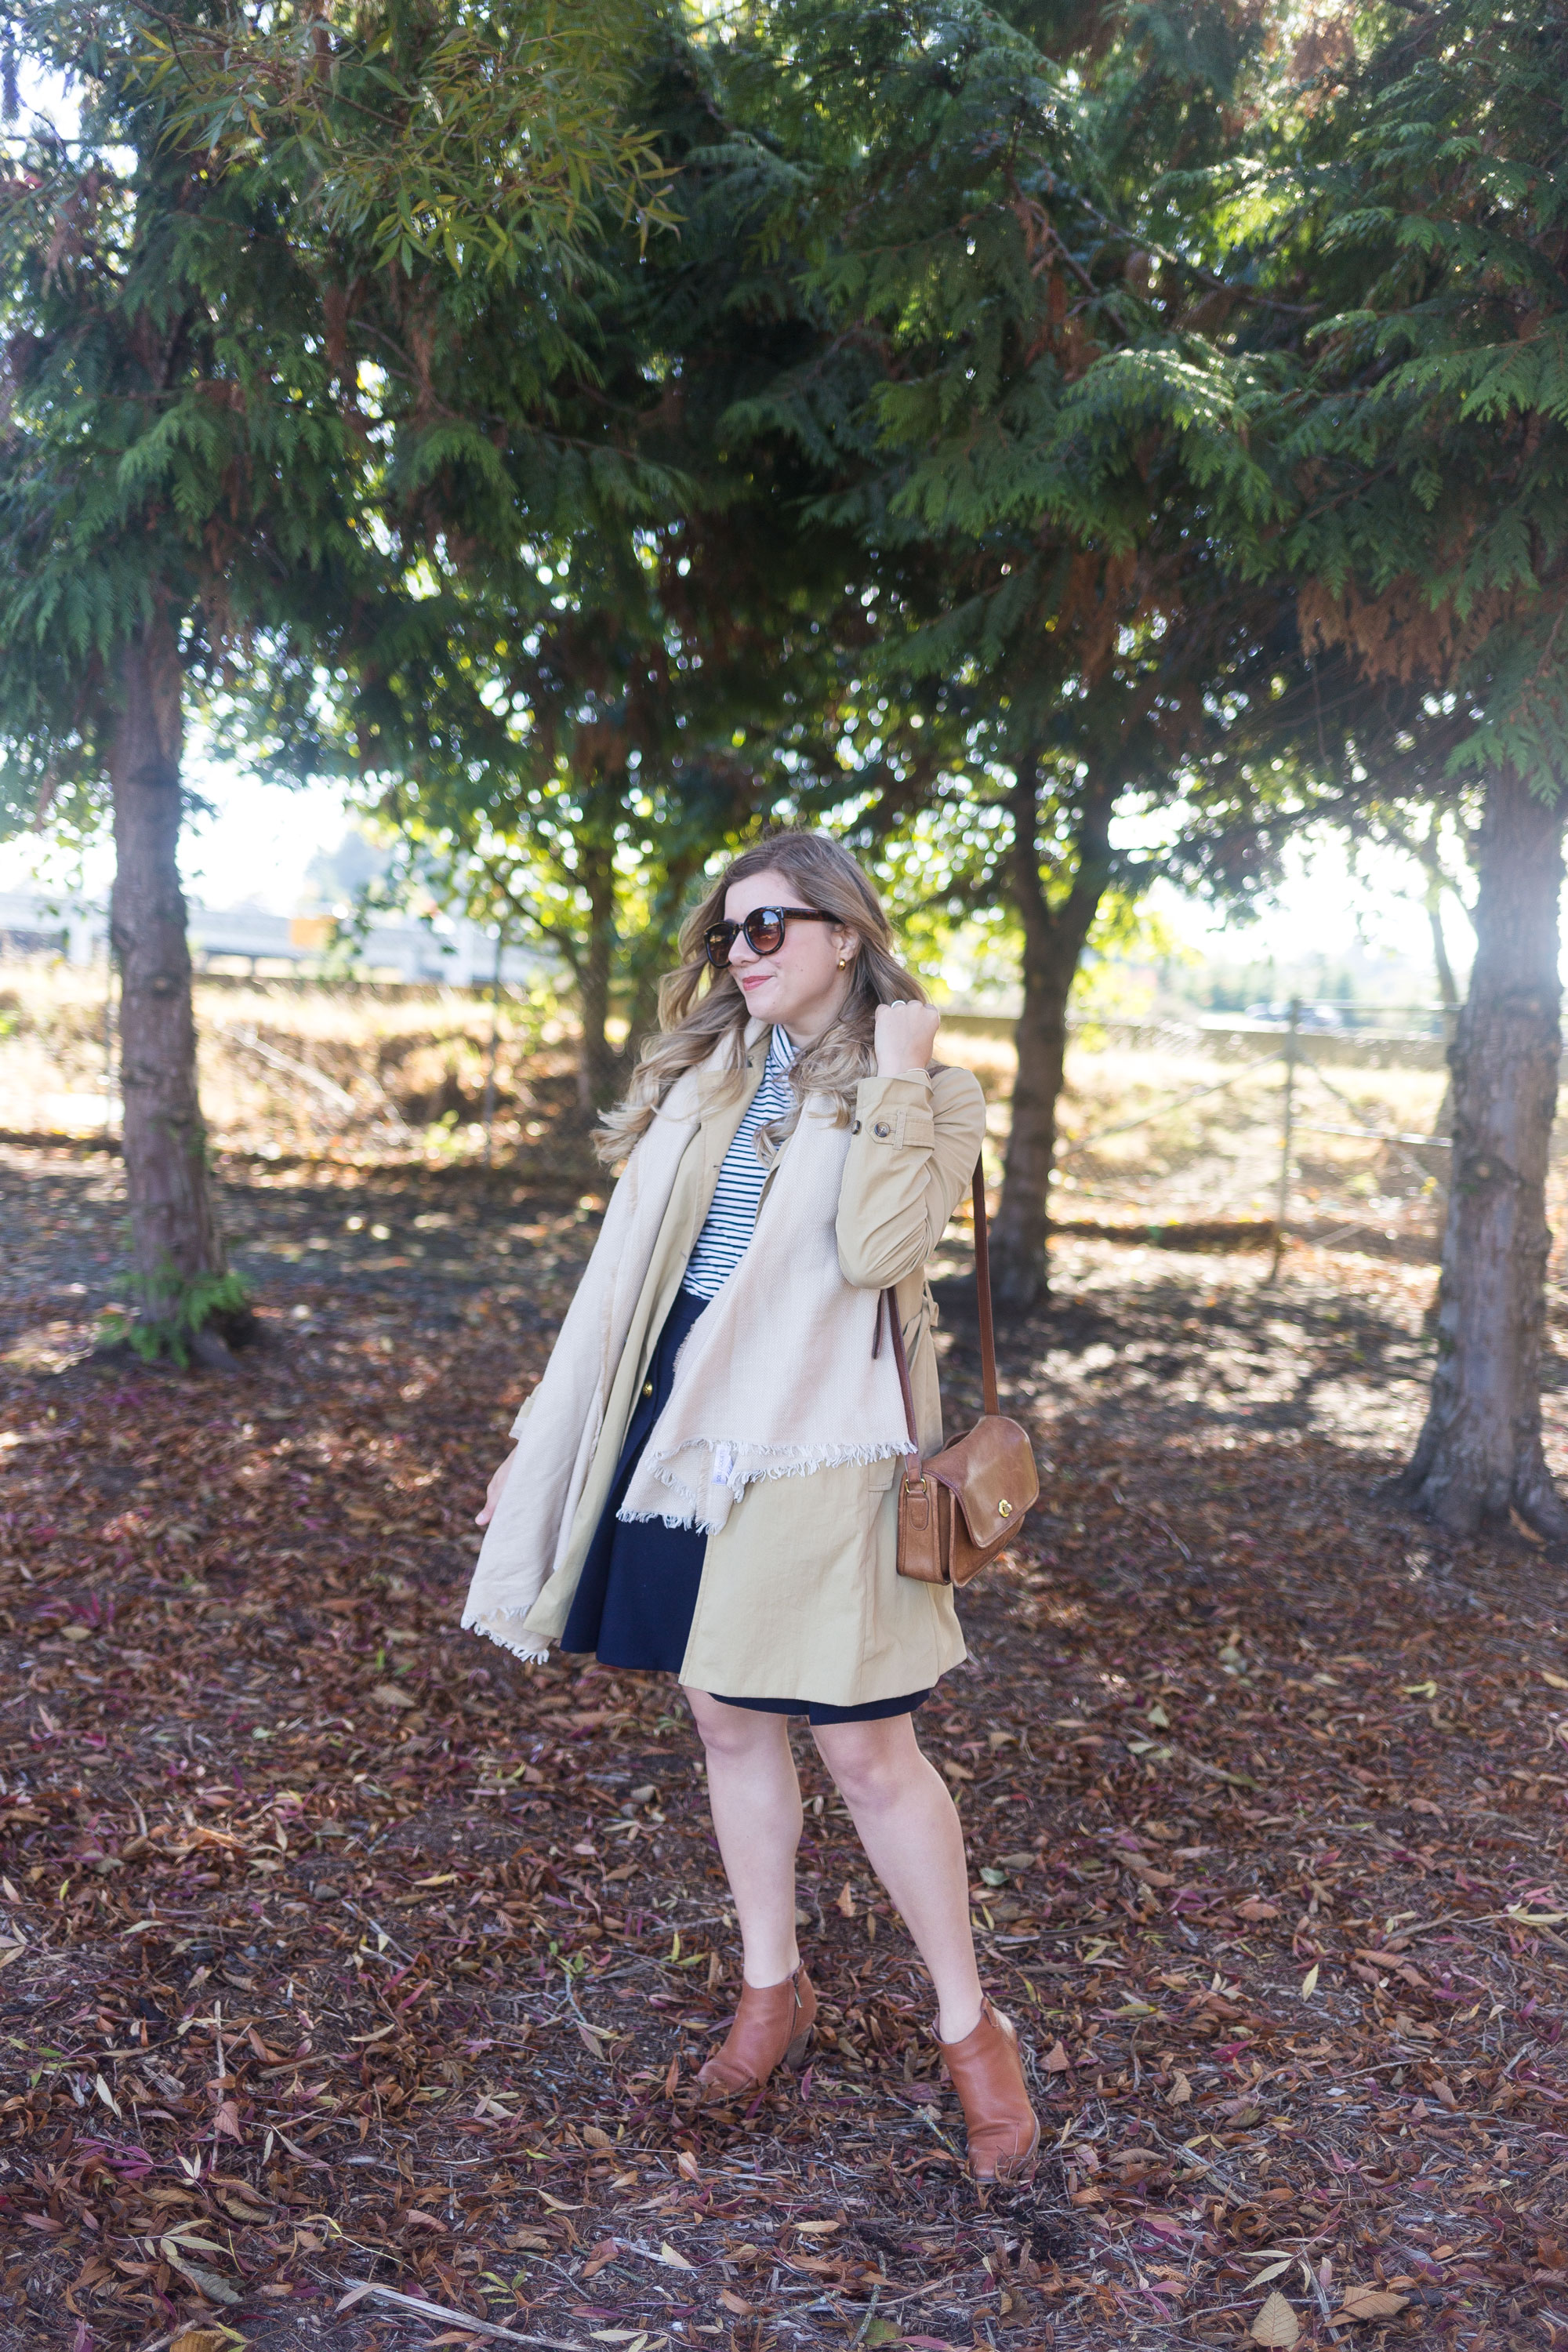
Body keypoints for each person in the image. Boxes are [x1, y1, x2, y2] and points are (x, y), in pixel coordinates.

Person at [465, 830, 1037, 2184]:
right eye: (730, 934)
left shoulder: (934, 1092)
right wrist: (544, 1442)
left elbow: (878, 1251)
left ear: (846, 934)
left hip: (821, 1446)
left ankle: (974, 2033)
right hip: (675, 1434)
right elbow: (619, 1280)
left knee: (867, 1751)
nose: (744, 955)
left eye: (773, 928)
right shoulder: (703, 1078)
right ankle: (773, 1992)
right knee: (725, 1718)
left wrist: (897, 1083)